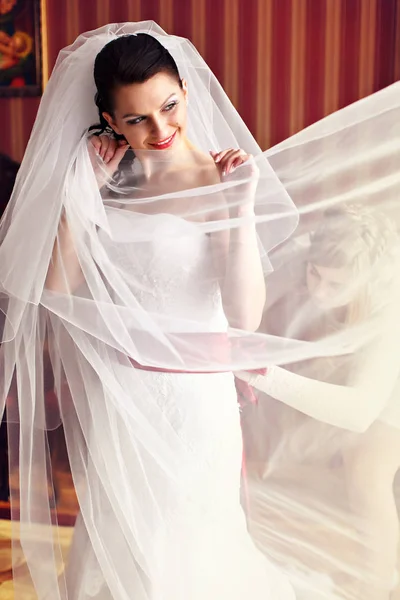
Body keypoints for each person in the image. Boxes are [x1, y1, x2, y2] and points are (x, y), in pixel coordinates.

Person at [0, 23, 297, 600]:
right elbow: (56, 287)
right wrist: (84, 192)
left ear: (185, 90)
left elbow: (246, 317)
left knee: (186, 538)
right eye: (137, 119)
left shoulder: (224, 179)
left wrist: (237, 208)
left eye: (168, 106)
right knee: (117, 534)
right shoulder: (107, 185)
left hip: (193, 402)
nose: (160, 129)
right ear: (110, 120)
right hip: (118, 395)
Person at [236, 204, 400, 599]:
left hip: (387, 370)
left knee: (368, 472)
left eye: (335, 285)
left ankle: (382, 587)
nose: (319, 291)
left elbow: (359, 412)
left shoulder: (389, 301)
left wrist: (266, 374)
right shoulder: (306, 252)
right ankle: (373, 574)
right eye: (315, 276)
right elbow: (247, 307)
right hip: (360, 365)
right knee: (354, 470)